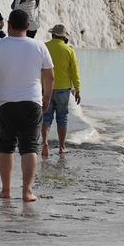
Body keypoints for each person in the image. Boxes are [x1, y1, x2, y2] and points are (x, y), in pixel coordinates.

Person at [0, 9, 54, 202]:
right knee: (29, 147)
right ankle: (27, 191)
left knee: (6, 148)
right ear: (28, 27)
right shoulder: (39, 46)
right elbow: (50, 76)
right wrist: (46, 98)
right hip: (32, 102)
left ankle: (6, 190)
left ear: (8, 25)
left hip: (5, 104)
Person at [43, 24, 81, 158]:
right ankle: (61, 147)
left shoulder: (44, 47)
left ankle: (44, 143)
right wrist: (77, 89)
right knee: (62, 119)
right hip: (63, 91)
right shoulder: (69, 50)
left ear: (52, 34)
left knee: (46, 118)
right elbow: (74, 72)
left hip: (46, 88)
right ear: (64, 37)